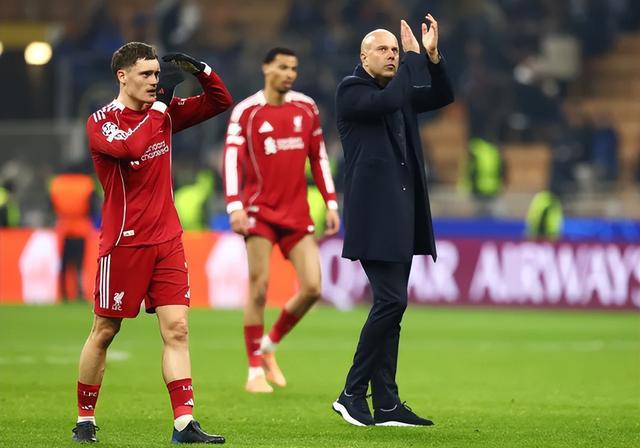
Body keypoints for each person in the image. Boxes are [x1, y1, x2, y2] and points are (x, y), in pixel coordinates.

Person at [72, 42, 232, 444]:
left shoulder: (162, 112)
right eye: (146, 74)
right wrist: (161, 107)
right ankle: (85, 419)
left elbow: (220, 102)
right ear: (122, 76)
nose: (155, 82)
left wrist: (202, 70)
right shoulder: (102, 122)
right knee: (105, 331)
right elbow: (132, 147)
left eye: (158, 75)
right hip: (124, 243)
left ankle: (184, 424)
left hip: (167, 240)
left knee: (177, 329)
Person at [332, 16, 454, 427]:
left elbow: (443, 95)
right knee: (392, 301)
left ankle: (386, 402)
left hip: (401, 215)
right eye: (383, 50)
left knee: (393, 309)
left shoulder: (399, 94)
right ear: (363, 56)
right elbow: (388, 101)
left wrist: (432, 58)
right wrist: (413, 60)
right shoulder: (351, 90)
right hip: (374, 218)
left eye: (396, 51)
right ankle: (351, 393)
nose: (391, 56)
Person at [223, 47, 340, 393]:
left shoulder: (306, 108)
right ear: (266, 68)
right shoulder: (247, 112)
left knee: (313, 288)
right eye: (283, 67)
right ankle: (253, 372)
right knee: (259, 288)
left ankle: (269, 345)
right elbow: (232, 160)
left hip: (295, 212)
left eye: (294, 68)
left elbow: (318, 157)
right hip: (259, 211)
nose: (289, 74)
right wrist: (234, 206)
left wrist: (331, 203)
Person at [50, 168, 95, 301]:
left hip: (63, 228)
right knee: (79, 264)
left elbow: (51, 205)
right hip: (81, 227)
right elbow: (92, 206)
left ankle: (63, 292)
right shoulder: (87, 183)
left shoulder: (57, 183)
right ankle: (79, 293)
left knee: (63, 263)